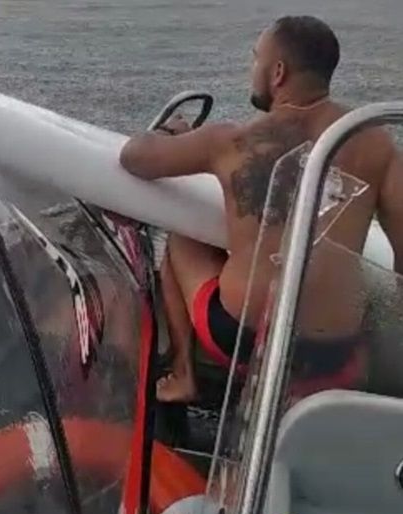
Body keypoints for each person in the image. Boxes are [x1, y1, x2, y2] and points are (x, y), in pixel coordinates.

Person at [120, 15, 403, 403]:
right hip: (335, 351)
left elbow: (135, 157)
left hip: (244, 340)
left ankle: (184, 375)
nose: (252, 69)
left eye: (256, 59)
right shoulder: (376, 143)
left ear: (278, 72)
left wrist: (172, 133)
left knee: (181, 236)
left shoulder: (235, 141)